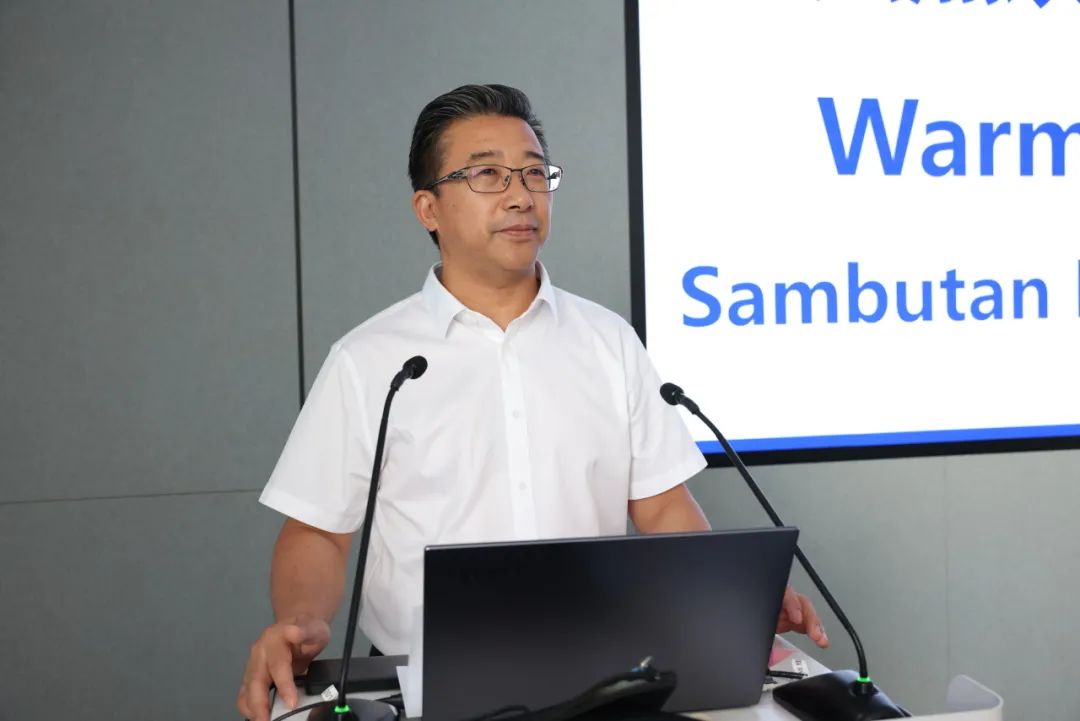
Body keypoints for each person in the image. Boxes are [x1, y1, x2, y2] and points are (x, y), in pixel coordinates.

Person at [237, 84, 827, 721]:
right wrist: (301, 618)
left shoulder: (607, 341)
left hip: (601, 673)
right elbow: (318, 530)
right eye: (488, 174)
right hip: (423, 684)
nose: (521, 195)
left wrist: (727, 600)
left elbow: (661, 506)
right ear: (428, 208)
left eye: (534, 173)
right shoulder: (370, 359)